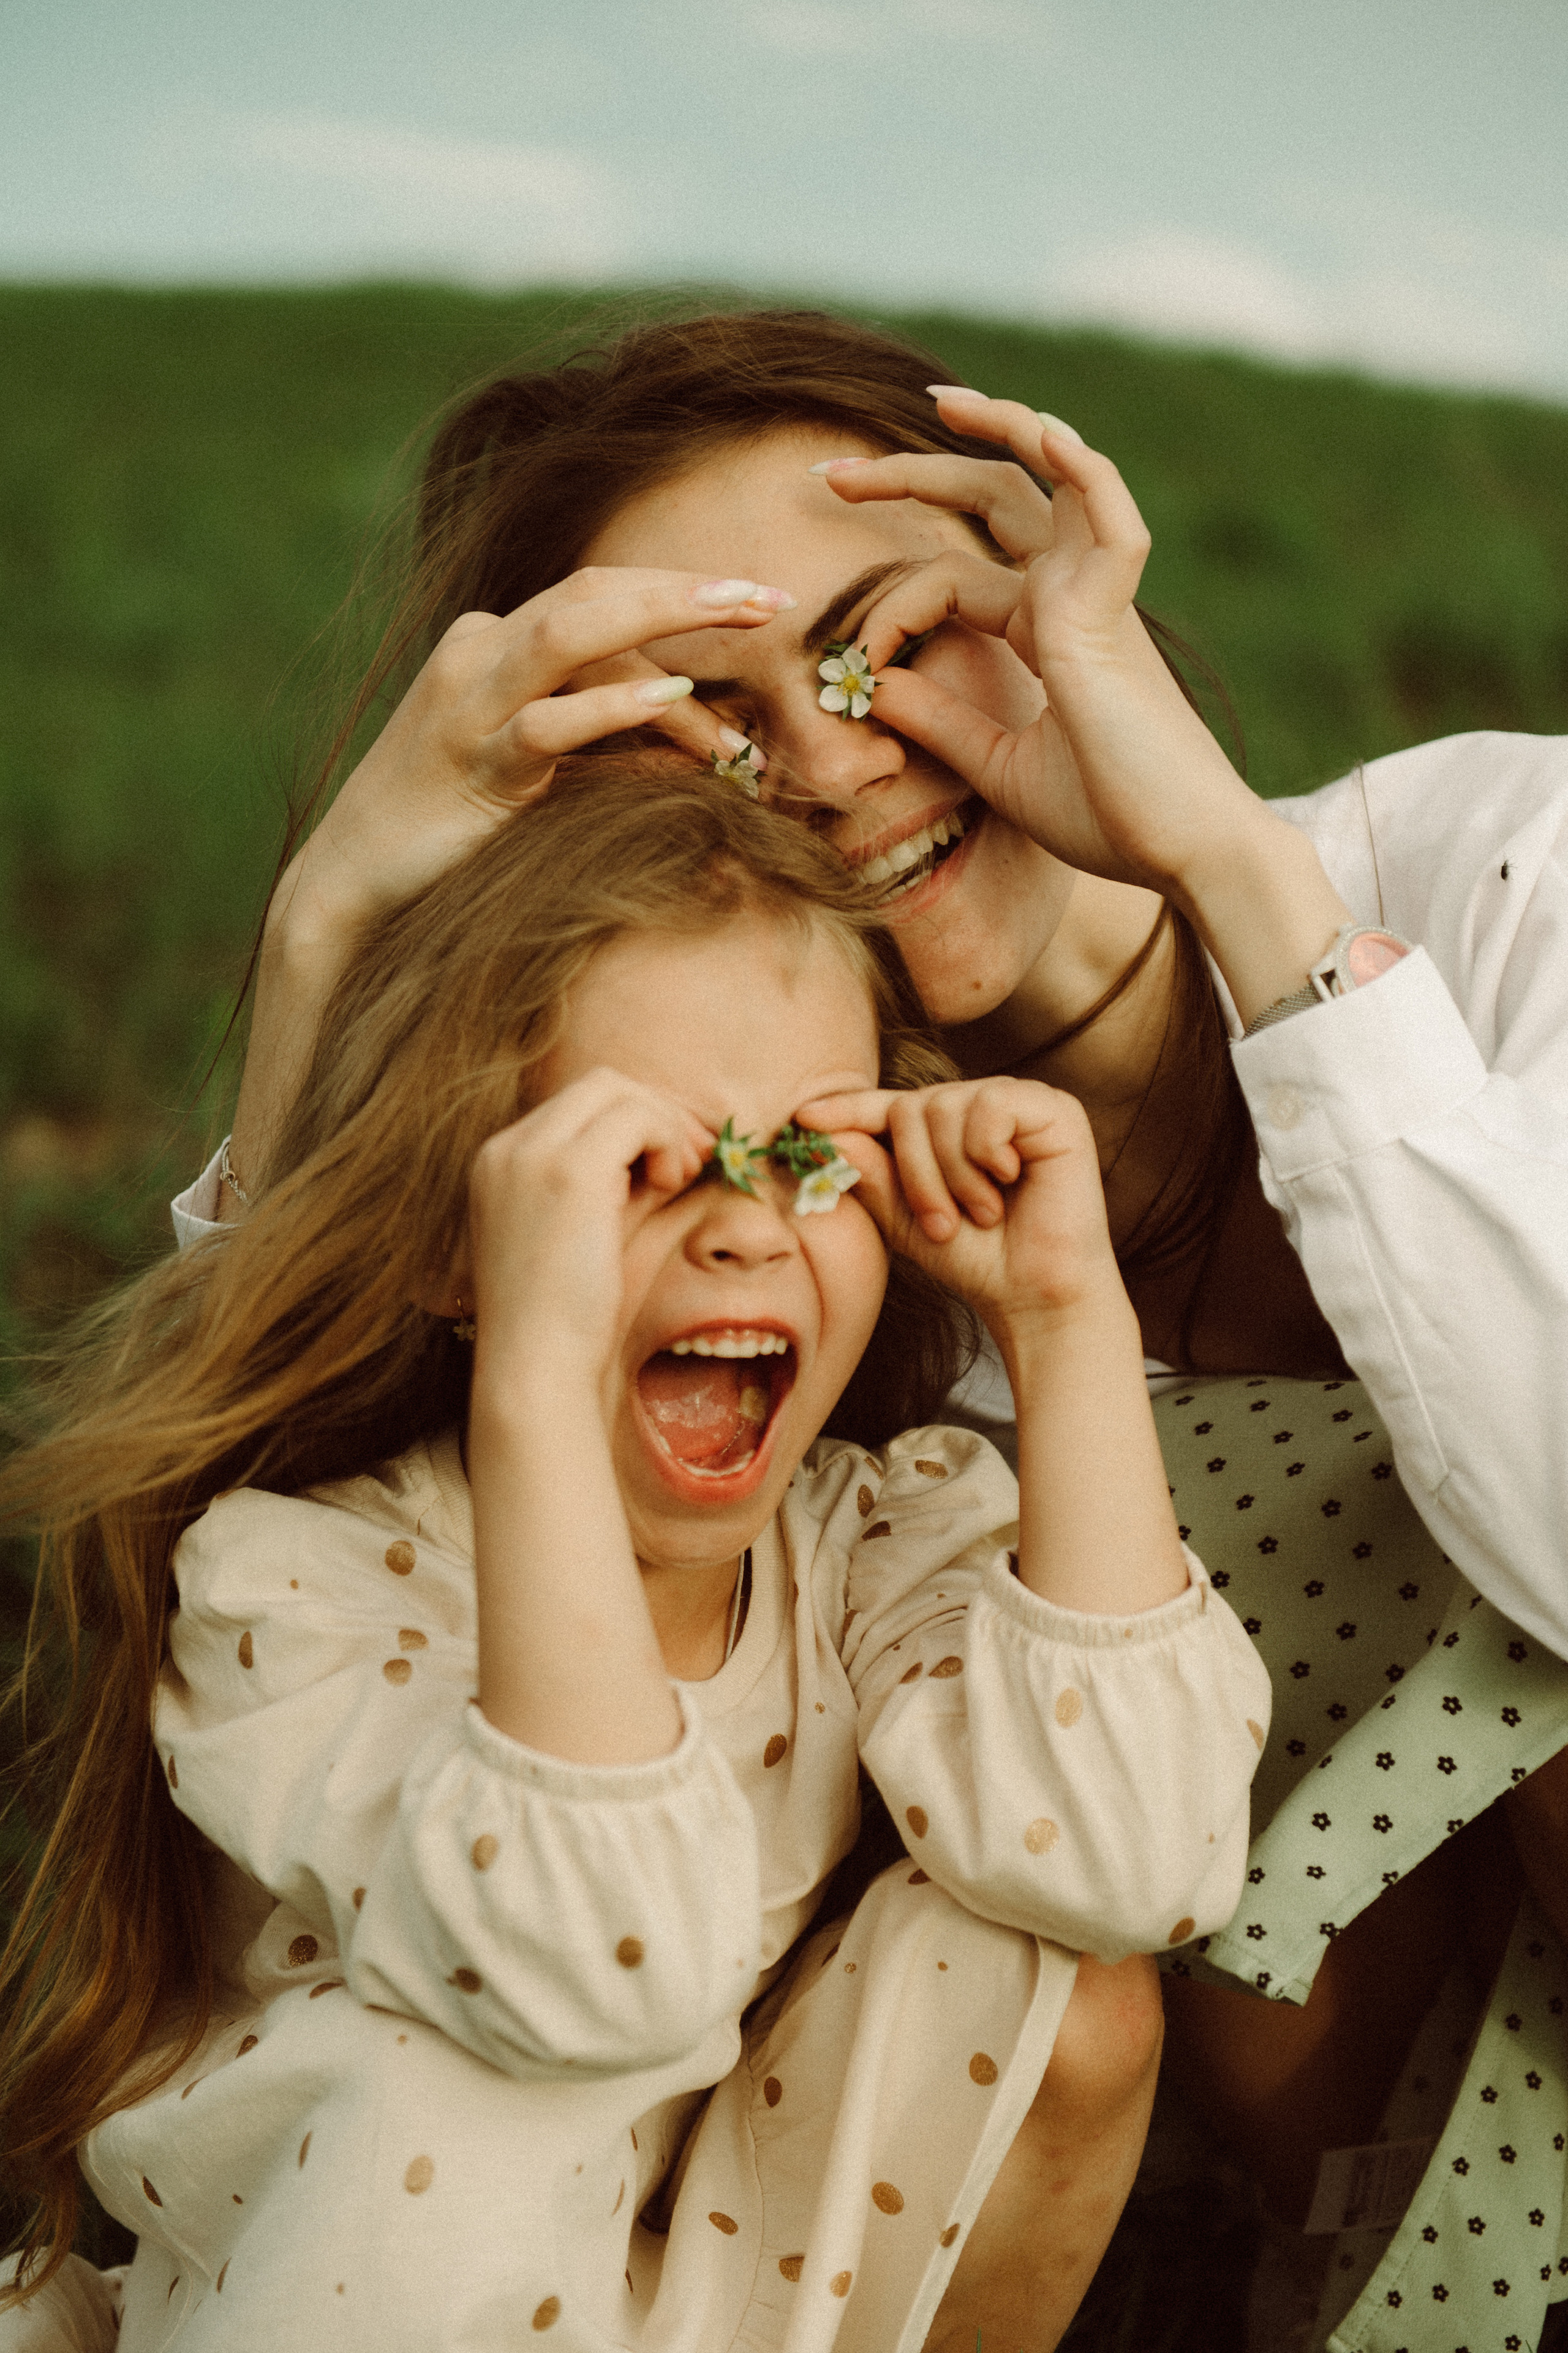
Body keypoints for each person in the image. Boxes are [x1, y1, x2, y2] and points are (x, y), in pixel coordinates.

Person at [165, 304, 1568, 2343]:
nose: (828, 763)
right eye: (709, 720)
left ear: (1056, 602)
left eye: (884, 645)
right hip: (1299, 2090)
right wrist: (326, 927)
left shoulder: (1506, 870)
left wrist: (1224, 861)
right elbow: (274, 1552)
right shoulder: (784, 1216)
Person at [0, 768, 1269, 2352]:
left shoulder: (865, 1536)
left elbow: (1134, 1862)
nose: (743, 1227)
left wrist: (1067, 1313)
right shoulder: (303, 1586)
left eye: (805, 1155)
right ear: (453, 1245)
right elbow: (605, 1980)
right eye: (639, 1167)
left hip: (699, 2286)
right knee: (448, 2095)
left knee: (1062, 1985)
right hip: (381, 2295)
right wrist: (537, 1381)